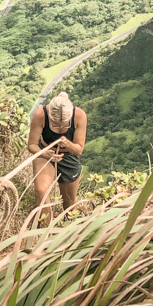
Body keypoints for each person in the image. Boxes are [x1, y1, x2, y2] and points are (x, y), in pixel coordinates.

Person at [28, 90, 87, 224]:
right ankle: (45, 230)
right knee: (41, 191)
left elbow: (78, 150)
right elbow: (32, 145)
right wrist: (44, 153)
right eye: (55, 124)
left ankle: (68, 230)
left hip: (69, 156)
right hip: (45, 153)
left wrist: (68, 144)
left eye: (64, 124)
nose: (60, 127)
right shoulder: (41, 115)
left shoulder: (79, 116)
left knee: (69, 202)